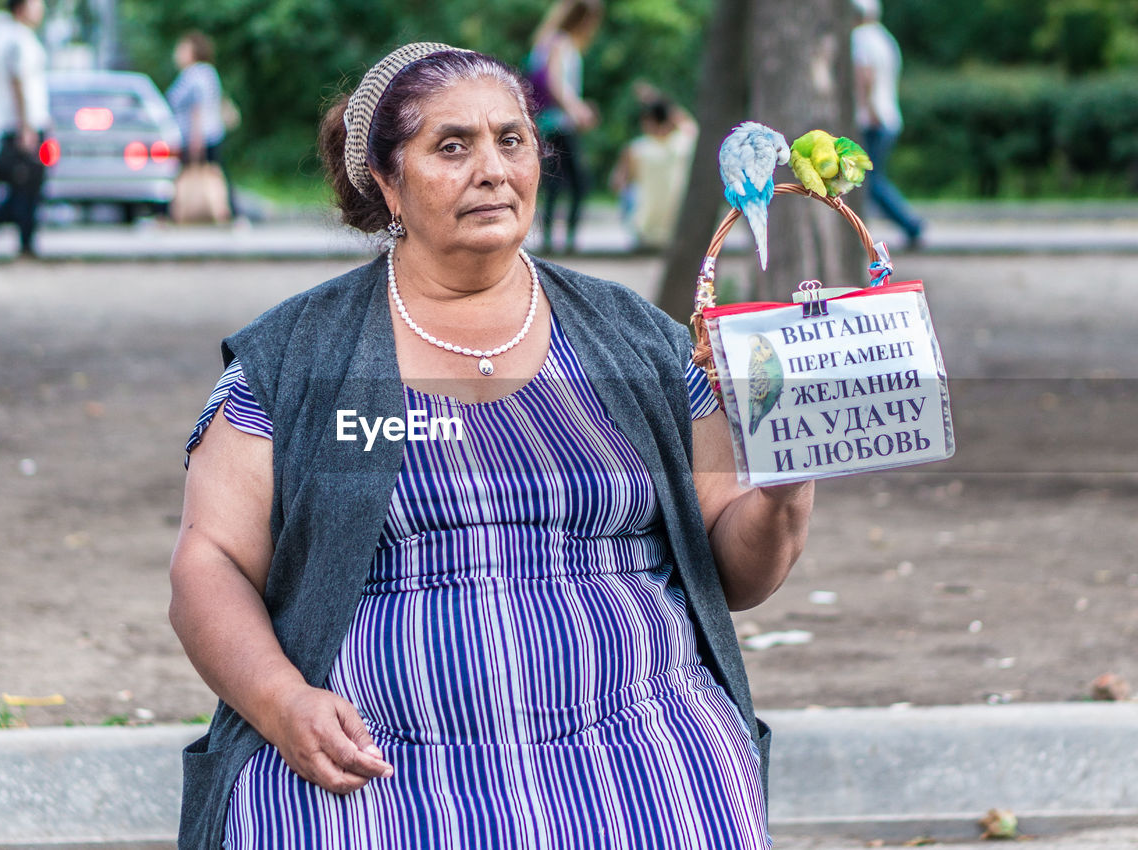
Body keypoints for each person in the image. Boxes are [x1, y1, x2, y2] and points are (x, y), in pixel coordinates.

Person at [170, 42, 813, 849]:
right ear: (385, 181)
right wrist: (280, 703)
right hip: (370, 771)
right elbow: (208, 564)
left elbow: (737, 571)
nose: (493, 169)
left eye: (512, 140)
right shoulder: (296, 359)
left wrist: (787, 485)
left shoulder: (637, 343)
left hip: (644, 760)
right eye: (451, 146)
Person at [0, 0, 50, 258]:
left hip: (20, 123)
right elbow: (17, 82)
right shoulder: (15, 40)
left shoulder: (13, 36)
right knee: (27, 185)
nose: (41, 8)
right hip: (20, 125)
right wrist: (25, 126)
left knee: (22, 187)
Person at [528, 0, 602, 254]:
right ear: (583, 20)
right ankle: (567, 241)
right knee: (578, 183)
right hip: (559, 124)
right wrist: (578, 111)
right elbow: (555, 83)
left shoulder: (546, 40)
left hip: (547, 124)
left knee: (553, 183)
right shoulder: (560, 43)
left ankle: (551, 241)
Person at [851, 0, 925, 248]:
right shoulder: (885, 38)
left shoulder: (860, 37)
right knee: (872, 180)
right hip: (889, 117)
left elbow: (865, 75)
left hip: (874, 119)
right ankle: (907, 226)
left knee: (870, 182)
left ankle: (911, 225)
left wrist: (868, 110)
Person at [609, 85, 698, 252]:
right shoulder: (684, 145)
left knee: (627, 190)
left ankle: (637, 224)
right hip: (676, 232)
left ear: (648, 122)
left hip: (645, 233)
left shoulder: (637, 150)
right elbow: (689, 123)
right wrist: (659, 100)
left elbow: (616, 183)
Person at [165, 31, 238, 221]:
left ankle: (170, 214)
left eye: (182, 49)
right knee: (216, 173)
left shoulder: (195, 73)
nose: (177, 54)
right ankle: (228, 212)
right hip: (210, 133)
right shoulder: (207, 72)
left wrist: (195, 140)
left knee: (200, 174)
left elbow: (197, 108)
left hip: (198, 135)